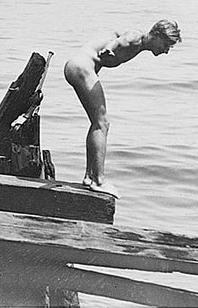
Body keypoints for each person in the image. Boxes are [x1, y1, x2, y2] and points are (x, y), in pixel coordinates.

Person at [64, 19, 182, 199]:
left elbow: (117, 36)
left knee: (98, 123)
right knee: (101, 123)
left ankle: (89, 177)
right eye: (166, 45)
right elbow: (120, 40)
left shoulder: (139, 43)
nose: (166, 51)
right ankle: (98, 180)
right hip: (81, 67)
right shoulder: (136, 37)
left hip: (80, 67)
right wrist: (109, 48)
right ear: (156, 35)